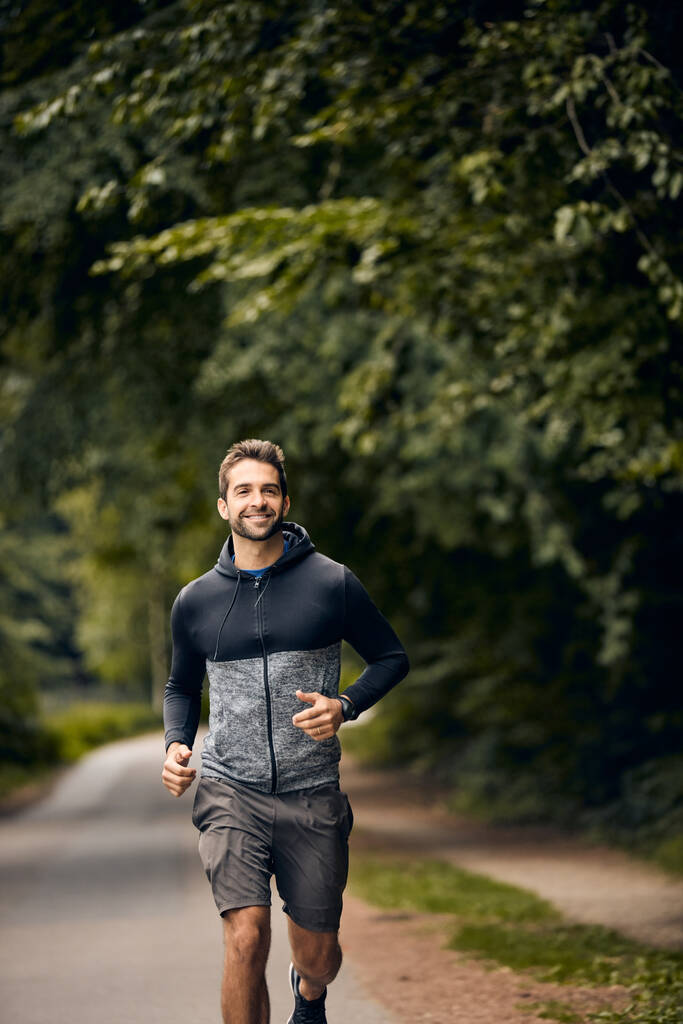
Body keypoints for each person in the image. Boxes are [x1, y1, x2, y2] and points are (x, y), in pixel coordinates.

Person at [161, 438, 409, 1024]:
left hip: (311, 788)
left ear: (285, 500)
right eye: (243, 490)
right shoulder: (195, 601)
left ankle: (310, 991)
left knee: (319, 956)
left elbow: (391, 658)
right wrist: (176, 743)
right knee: (245, 937)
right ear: (223, 505)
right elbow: (180, 686)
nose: (257, 500)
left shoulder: (331, 583)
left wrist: (344, 705)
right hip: (229, 789)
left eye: (268, 489)